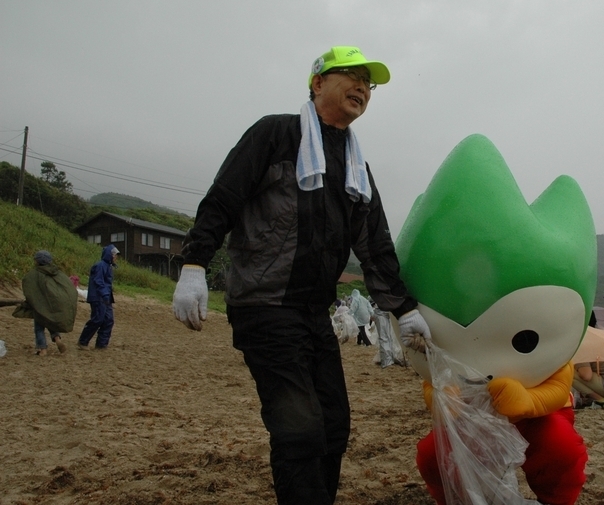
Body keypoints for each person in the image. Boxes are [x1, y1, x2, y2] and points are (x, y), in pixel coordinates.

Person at [171, 45, 432, 505]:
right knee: (299, 428)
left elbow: (374, 243)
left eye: (368, 85)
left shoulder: (355, 167)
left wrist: (403, 308)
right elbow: (224, 198)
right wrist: (193, 264)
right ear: (317, 83)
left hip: (314, 312)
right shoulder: (275, 135)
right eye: (351, 75)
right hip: (264, 306)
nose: (362, 89)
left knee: (334, 425)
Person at [15, 250, 78, 356]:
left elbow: (30, 290)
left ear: (37, 261)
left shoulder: (34, 275)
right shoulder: (57, 272)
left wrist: (30, 303)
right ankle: (57, 339)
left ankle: (42, 348)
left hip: (40, 307)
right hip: (54, 305)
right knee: (51, 322)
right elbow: (68, 287)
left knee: (39, 327)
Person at [77, 244, 119, 350]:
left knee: (108, 320)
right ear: (110, 255)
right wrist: (105, 294)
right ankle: (83, 341)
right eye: (115, 255)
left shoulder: (108, 266)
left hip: (106, 298)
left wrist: (107, 295)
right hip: (98, 297)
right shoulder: (100, 266)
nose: (116, 258)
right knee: (97, 319)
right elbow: (98, 281)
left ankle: (101, 344)